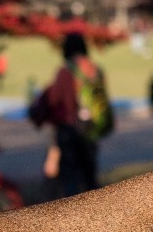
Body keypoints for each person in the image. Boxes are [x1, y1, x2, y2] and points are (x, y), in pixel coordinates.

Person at [28, 31, 113, 198]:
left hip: (69, 129)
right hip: (90, 128)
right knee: (90, 178)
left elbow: (54, 100)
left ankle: (74, 218)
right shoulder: (96, 70)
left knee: (70, 179)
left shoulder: (65, 71)